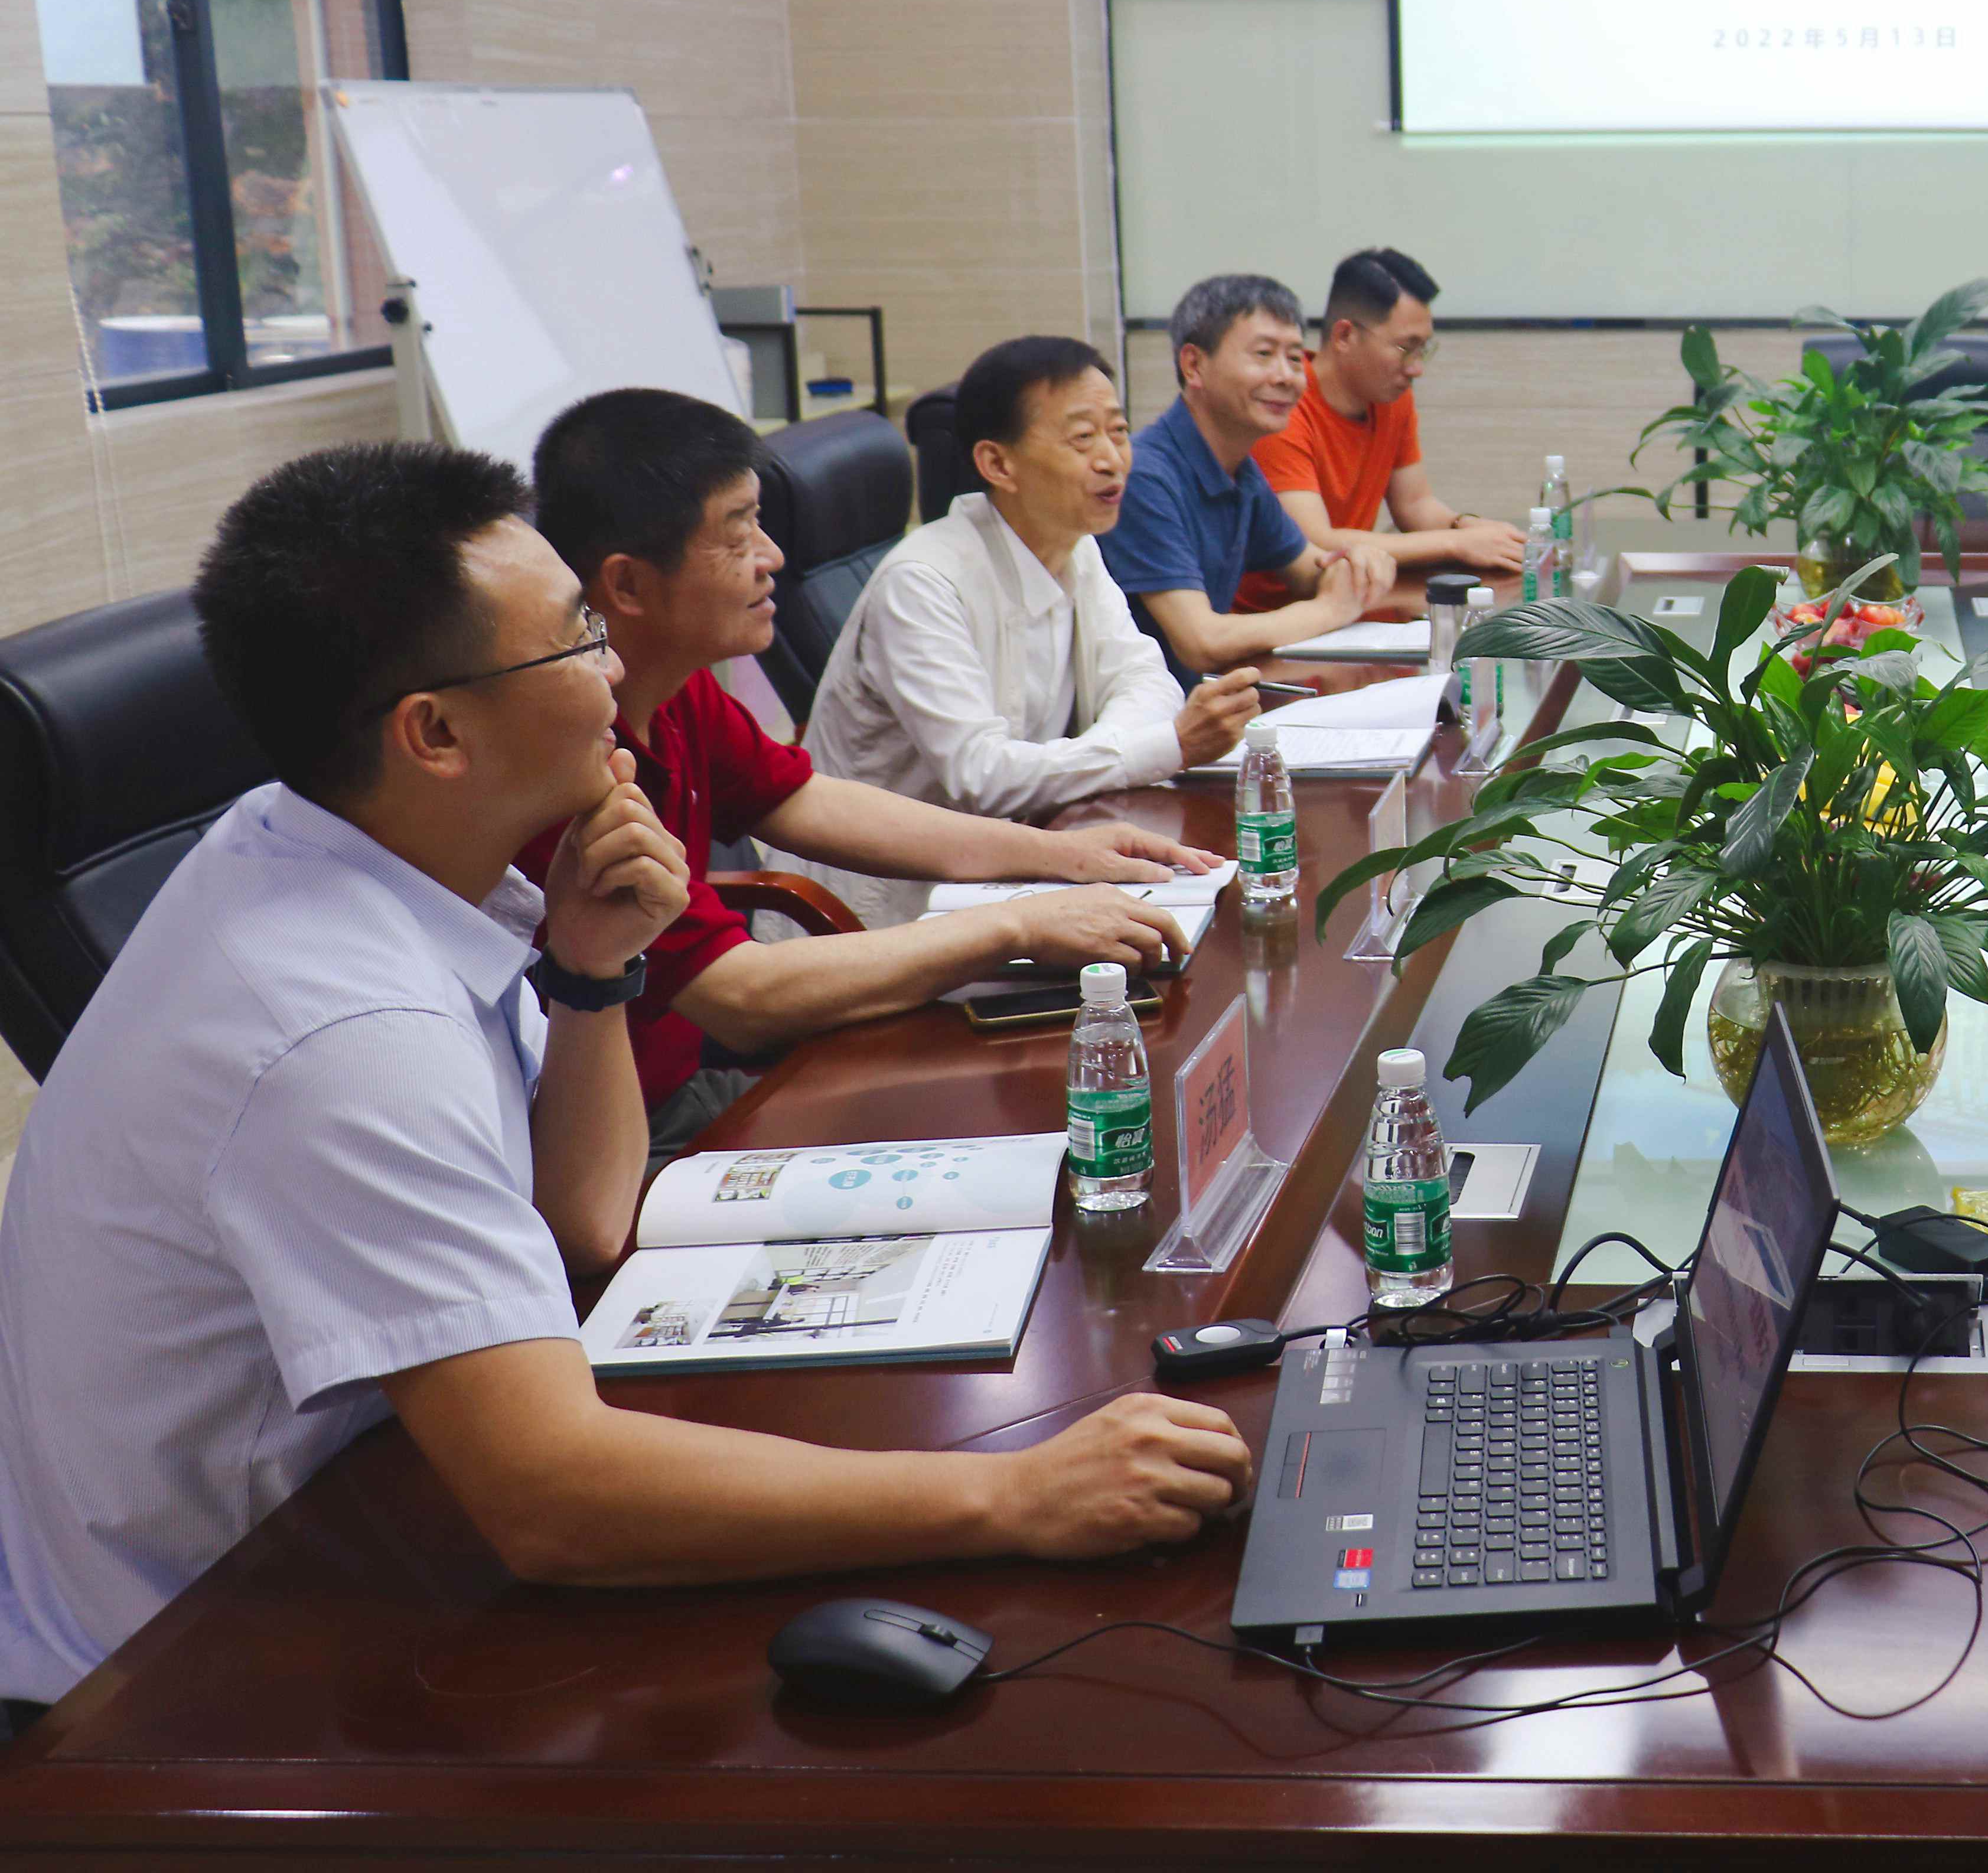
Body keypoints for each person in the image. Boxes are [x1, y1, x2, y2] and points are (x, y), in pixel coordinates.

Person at [0, 445, 1249, 1724]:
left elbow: (582, 1222)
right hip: (186, 1675)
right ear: (435, 732)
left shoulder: (347, 852)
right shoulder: (341, 1031)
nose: (612, 670)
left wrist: (594, 972)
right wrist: (1014, 1492)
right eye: (573, 638)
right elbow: (554, 1502)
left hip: (367, 1508)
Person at [527, 389, 1221, 1154]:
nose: (772, 557)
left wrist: (1062, 856)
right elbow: (741, 998)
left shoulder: (677, 689)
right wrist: (1018, 925)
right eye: (738, 533)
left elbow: (808, 801)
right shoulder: (561, 759)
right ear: (627, 585)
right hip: (618, 1134)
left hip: (685, 1085)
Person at [798, 335, 1262, 927]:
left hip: (1025, 868)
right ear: (998, 464)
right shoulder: (921, 584)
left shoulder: (1075, 546)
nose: (1112, 459)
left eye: (1118, 432)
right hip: (884, 915)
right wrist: (1159, 748)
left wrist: (1127, 752)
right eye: (1082, 438)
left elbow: (1147, 681)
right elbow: (981, 777)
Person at [1103, 274, 1389, 680]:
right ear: (1194, 365)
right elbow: (1202, 641)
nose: (1286, 376)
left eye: (1295, 358)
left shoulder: (1241, 470)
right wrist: (1330, 609)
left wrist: (1357, 562)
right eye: (1264, 354)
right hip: (1154, 715)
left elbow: (1310, 571)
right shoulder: (1144, 477)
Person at [1236, 246, 1524, 608]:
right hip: (1277, 618)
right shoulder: (1282, 407)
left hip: (1355, 603)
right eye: (1406, 348)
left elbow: (1415, 504)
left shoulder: (1391, 397)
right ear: (1344, 336)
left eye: (1424, 349)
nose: (1417, 368)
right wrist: (1457, 544)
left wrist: (1467, 526)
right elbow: (1315, 542)